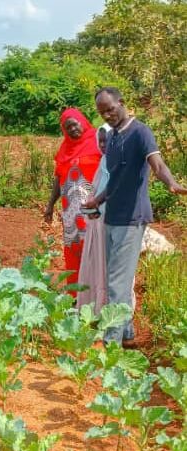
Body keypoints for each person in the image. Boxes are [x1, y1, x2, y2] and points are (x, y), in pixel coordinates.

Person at [84, 87, 187, 345]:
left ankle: (112, 342)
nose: (107, 115)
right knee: (116, 278)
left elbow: (158, 164)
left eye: (110, 108)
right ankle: (127, 331)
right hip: (111, 217)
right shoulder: (114, 137)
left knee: (117, 283)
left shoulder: (141, 132)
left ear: (122, 103)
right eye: (102, 112)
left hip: (132, 218)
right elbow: (116, 179)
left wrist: (171, 183)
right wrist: (97, 199)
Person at [44, 108, 102, 293]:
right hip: (70, 212)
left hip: (94, 208)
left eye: (74, 124)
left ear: (82, 122)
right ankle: (76, 294)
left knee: (93, 248)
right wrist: (50, 205)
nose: (72, 130)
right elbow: (58, 179)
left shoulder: (98, 141)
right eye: (67, 127)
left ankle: (95, 292)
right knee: (73, 249)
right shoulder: (64, 149)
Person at [76, 124, 110, 313]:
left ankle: (106, 310)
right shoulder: (104, 161)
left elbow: (115, 190)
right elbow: (96, 189)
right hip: (97, 222)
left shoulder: (118, 164)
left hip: (111, 223)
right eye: (101, 141)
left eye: (108, 140)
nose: (104, 145)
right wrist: (91, 208)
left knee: (106, 268)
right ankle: (94, 309)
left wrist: (97, 206)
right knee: (94, 266)